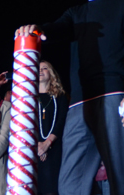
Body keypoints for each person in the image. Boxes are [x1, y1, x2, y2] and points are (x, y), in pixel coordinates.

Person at [15, 0, 124, 195]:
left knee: (120, 177)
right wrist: (38, 30)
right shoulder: (75, 13)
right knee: (70, 181)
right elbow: (56, 28)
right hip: (78, 104)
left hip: (113, 97)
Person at [37, 61, 69, 195]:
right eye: (38, 68)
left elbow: (62, 121)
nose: (41, 71)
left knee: (52, 188)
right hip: (34, 150)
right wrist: (37, 145)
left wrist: (47, 143)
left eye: (45, 68)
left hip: (54, 149)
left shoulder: (60, 97)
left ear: (51, 74)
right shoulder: (29, 97)